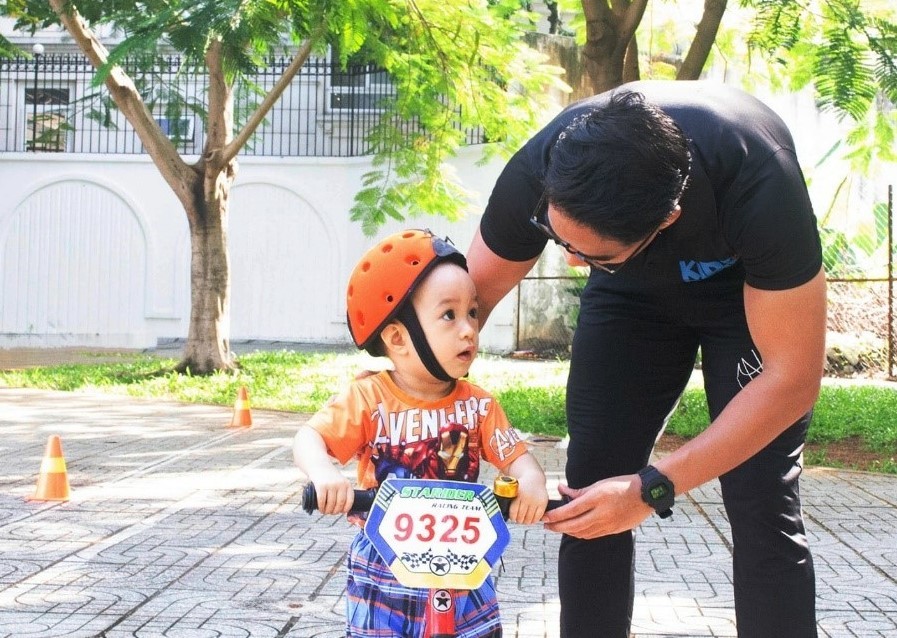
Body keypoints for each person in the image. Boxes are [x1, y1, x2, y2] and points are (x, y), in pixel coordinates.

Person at [466, 81, 826, 638]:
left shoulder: (758, 179)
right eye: (560, 239)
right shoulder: (546, 162)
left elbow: (792, 379)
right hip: (630, 298)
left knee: (760, 497)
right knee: (590, 494)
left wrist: (651, 488)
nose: (571, 263)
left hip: (745, 298)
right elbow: (464, 311)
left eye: (589, 254)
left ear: (667, 221)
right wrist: (409, 442)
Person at [294, 229, 549, 638]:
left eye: (473, 313)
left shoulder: (479, 405)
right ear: (397, 338)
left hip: (464, 561)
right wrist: (325, 475)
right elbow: (309, 440)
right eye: (449, 315)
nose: (468, 329)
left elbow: (517, 459)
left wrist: (532, 482)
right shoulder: (369, 397)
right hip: (385, 561)